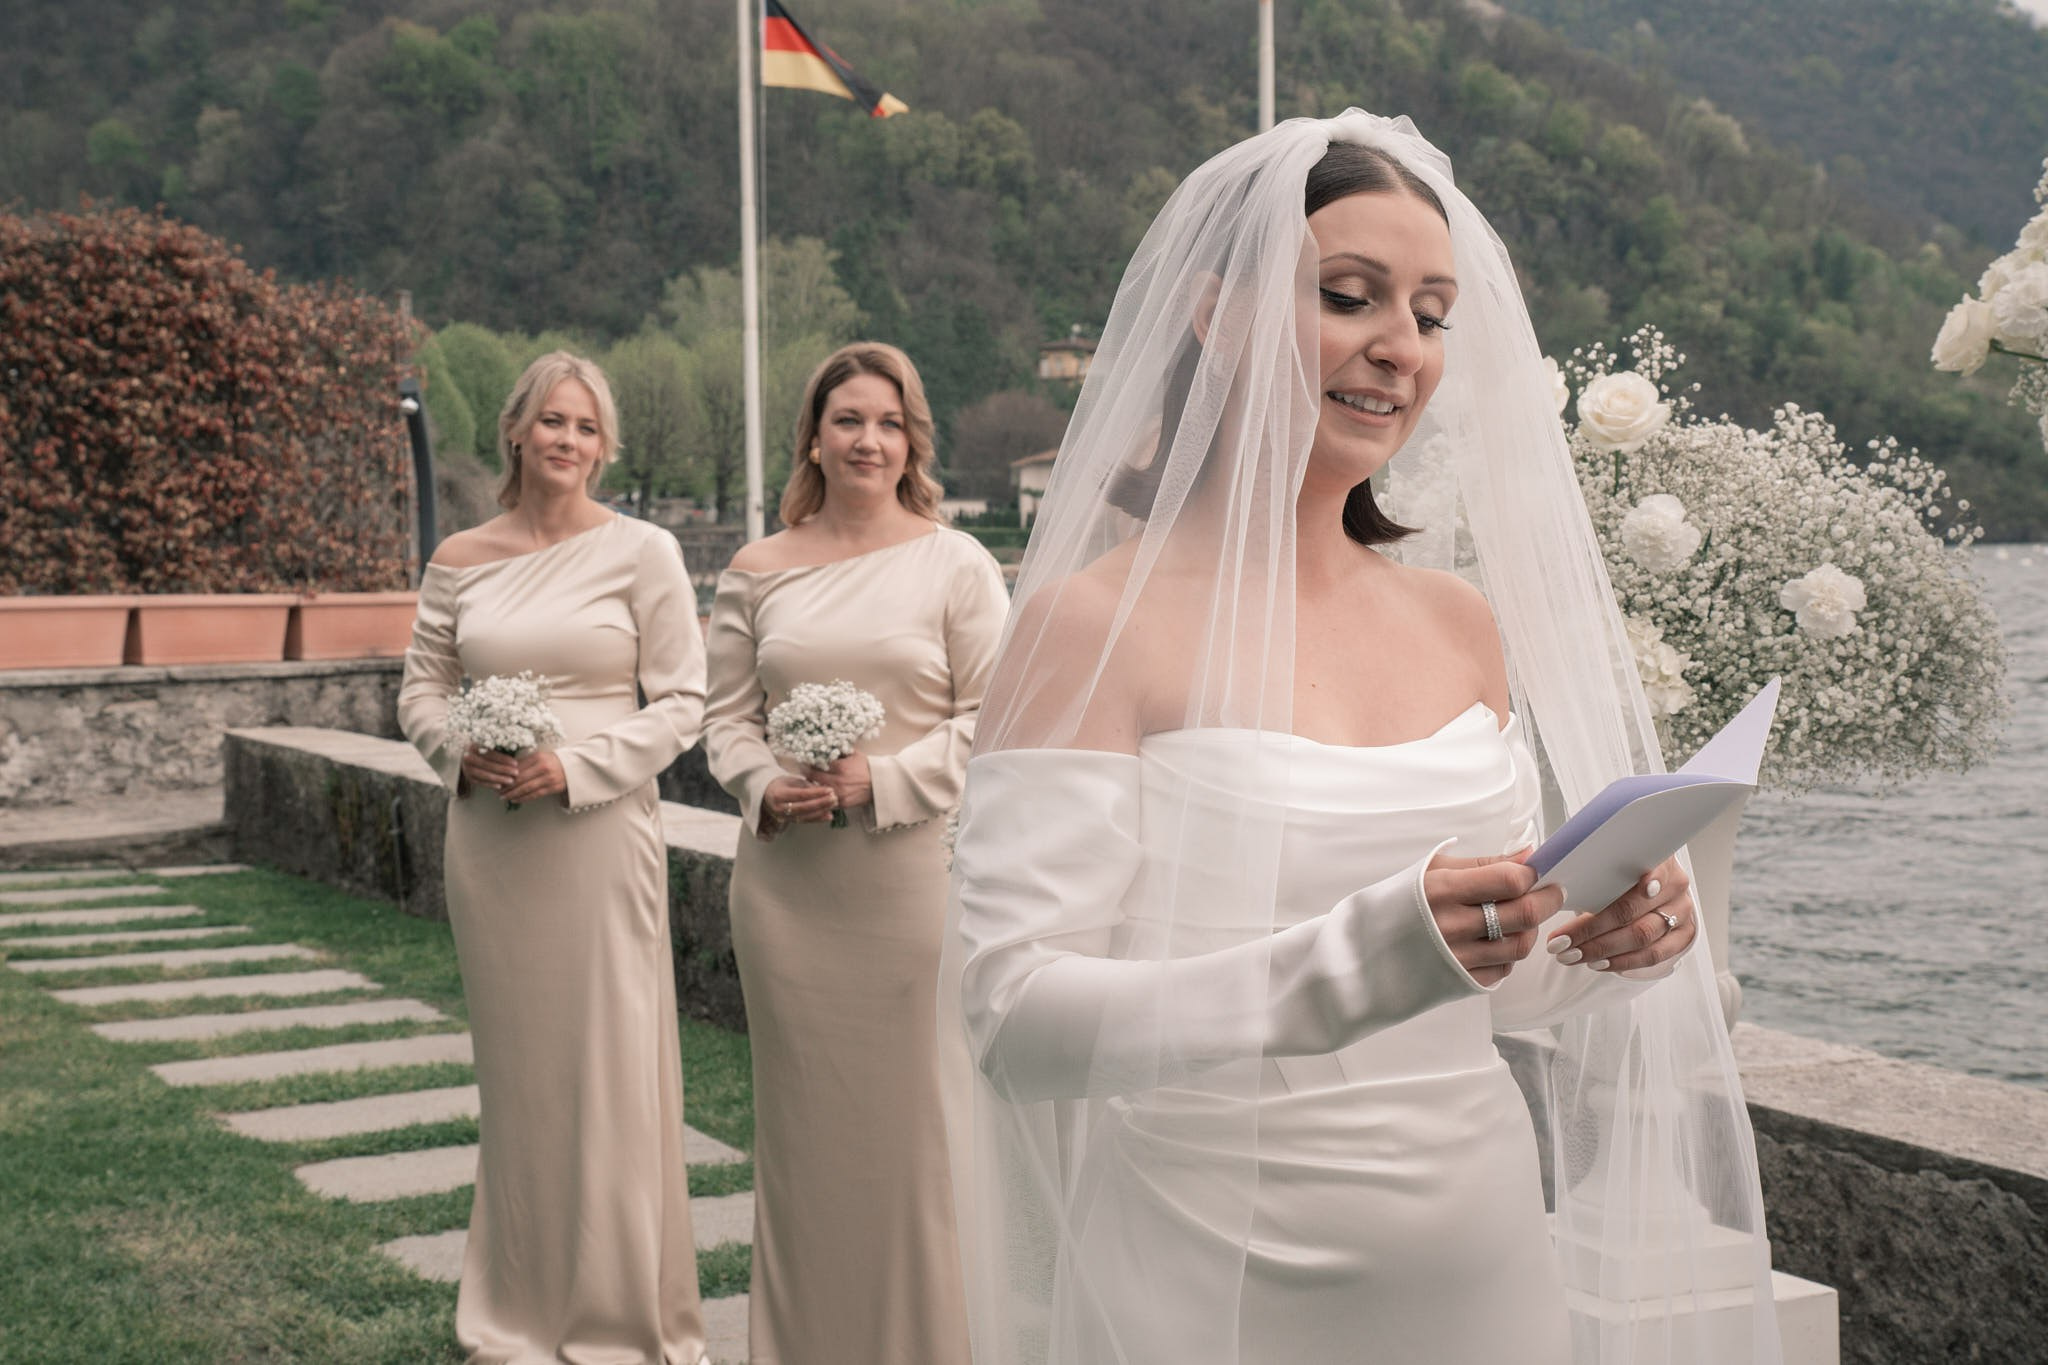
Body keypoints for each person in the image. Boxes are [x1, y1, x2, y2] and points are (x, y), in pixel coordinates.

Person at [942, 112, 1784, 1365]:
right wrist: (1360, 957)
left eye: (1432, 315)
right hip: (1206, 1273)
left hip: (1479, 1261)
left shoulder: (1458, 624)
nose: (1401, 350)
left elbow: (1493, 974)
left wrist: (1609, 940)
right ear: (1215, 317)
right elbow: (1012, 1023)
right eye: (1349, 297)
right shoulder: (1087, 626)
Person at [700, 341, 1010, 1364]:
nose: (867, 439)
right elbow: (726, 722)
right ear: (815, 437)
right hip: (788, 890)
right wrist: (759, 785)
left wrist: (882, 780)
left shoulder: (955, 563)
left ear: (909, 438)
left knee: (917, 1136)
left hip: (909, 884)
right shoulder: (757, 569)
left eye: (886, 421)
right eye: (847, 420)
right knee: (804, 1141)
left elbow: (997, 721)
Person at [398, 350, 710, 1365]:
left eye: (584, 427)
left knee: (612, 1072)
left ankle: (625, 1316)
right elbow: (420, 691)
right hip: (491, 846)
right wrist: (464, 750)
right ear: (514, 432)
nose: (566, 441)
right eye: (550, 422)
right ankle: (517, 1313)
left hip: (597, 833)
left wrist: (572, 768)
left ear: (602, 445)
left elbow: (682, 704)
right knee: (522, 1078)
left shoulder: (644, 553)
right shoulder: (458, 560)